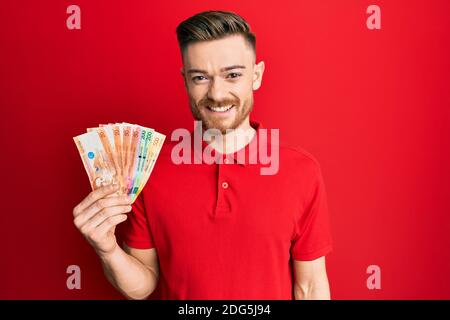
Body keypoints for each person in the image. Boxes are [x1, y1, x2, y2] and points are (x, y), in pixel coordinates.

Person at [72, 10, 333, 300]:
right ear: (185, 80)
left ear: (256, 76)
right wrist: (107, 249)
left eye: (232, 75)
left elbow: (309, 287)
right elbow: (143, 286)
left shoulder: (301, 171)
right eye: (200, 77)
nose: (217, 93)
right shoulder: (150, 170)